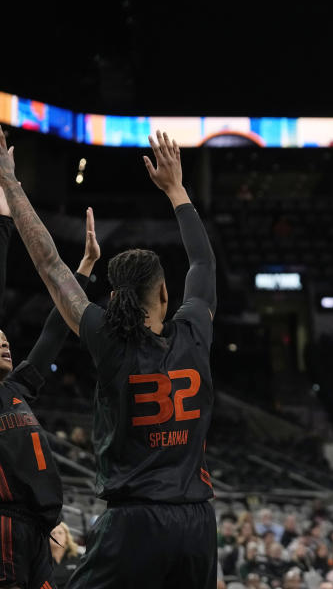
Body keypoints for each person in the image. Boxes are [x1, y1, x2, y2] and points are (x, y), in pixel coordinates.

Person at [0, 129, 218, 588]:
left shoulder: (110, 341)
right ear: (163, 291)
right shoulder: (196, 329)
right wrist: (176, 189)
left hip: (135, 523)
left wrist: (11, 184)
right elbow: (202, 264)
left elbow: (51, 266)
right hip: (199, 523)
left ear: (117, 297)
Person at [0, 196, 99, 589]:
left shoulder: (17, 389)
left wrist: (86, 267)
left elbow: (55, 331)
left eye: (5, 338)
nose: (4, 342)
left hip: (37, 532)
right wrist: (4, 222)